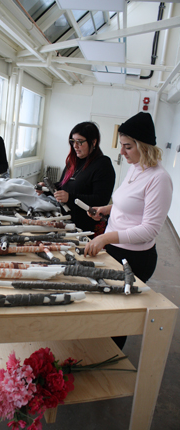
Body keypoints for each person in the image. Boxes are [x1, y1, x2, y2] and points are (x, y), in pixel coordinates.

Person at [83, 112, 173, 348]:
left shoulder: (159, 179)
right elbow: (128, 205)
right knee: (103, 307)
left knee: (117, 318)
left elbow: (149, 229)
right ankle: (95, 349)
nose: (121, 152)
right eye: (121, 145)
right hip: (113, 248)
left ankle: (109, 361)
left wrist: (105, 237)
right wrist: (106, 209)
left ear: (144, 147)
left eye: (128, 146)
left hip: (135, 257)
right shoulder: (136, 167)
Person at [37, 122, 115, 234]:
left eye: (80, 142)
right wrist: (47, 188)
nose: (75, 146)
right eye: (73, 141)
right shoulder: (73, 161)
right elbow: (63, 185)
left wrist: (70, 197)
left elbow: (100, 200)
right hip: (67, 220)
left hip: (87, 227)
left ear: (93, 142)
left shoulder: (103, 165)